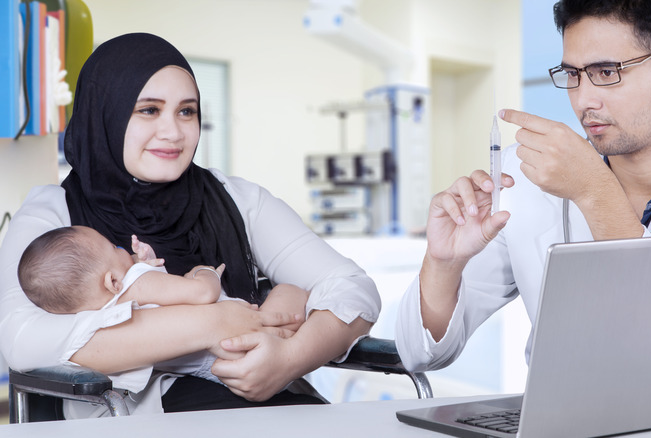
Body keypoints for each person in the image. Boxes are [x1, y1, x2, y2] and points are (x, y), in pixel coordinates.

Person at [0, 32, 381, 417]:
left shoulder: (236, 198)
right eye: (148, 110)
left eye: (187, 111)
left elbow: (353, 290)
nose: (174, 132)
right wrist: (214, 322)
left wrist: (291, 357)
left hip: (275, 406)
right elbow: (21, 340)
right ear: (105, 114)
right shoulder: (54, 214)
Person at [395, 0, 651, 371]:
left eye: (608, 72)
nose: (583, 100)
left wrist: (595, 193)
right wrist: (444, 264)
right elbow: (419, 355)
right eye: (573, 75)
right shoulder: (523, 173)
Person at [16, 226, 306, 396]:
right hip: (242, 344)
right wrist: (204, 271)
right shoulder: (138, 283)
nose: (123, 251)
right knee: (290, 291)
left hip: (220, 370)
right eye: (114, 247)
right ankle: (297, 348)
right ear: (113, 281)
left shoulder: (100, 317)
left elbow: (162, 300)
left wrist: (147, 264)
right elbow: (202, 293)